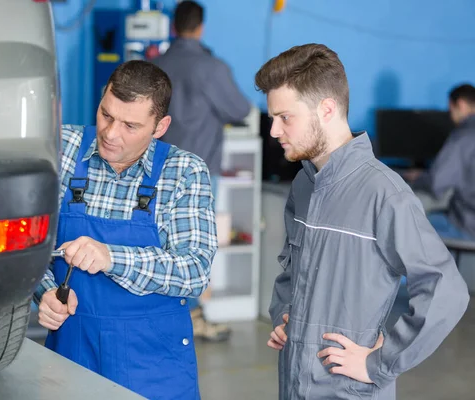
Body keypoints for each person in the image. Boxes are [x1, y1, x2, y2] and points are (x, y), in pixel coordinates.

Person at [255, 43, 470, 400]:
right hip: (293, 381)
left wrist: (379, 364)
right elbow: (291, 270)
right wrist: (284, 314)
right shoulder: (304, 184)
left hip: (348, 389)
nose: (275, 130)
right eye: (272, 119)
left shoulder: (385, 194)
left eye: (285, 117)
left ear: (327, 109)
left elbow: (446, 291)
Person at [33, 60, 217, 400]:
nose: (111, 133)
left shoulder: (183, 171)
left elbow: (195, 271)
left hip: (152, 366)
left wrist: (110, 257)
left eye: (130, 125)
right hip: (72, 353)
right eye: (106, 114)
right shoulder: (61, 149)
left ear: (159, 127)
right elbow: (28, 245)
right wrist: (47, 291)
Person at [153, 0, 251, 342]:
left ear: (174, 27)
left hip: (156, 167)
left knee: (162, 242)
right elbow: (240, 108)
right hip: (198, 171)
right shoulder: (211, 67)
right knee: (193, 245)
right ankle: (193, 317)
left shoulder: (157, 65)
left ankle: (171, 315)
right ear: (200, 27)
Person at [404, 83, 475, 240]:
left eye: (451, 110)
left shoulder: (463, 137)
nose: (451, 117)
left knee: (409, 225)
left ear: (460, 105)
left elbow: (437, 184)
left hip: (467, 226)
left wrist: (418, 178)